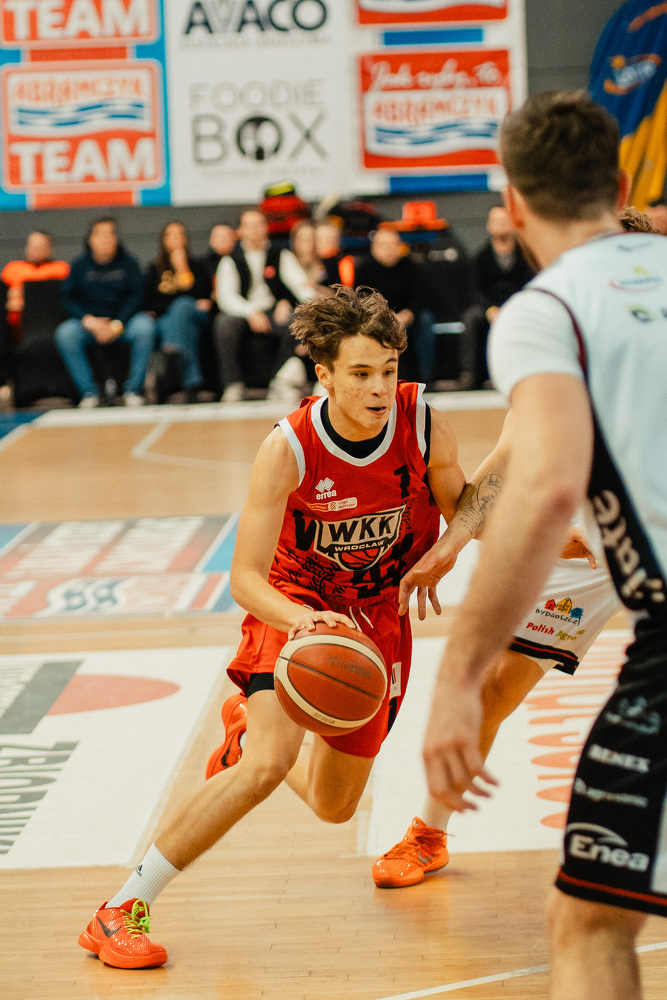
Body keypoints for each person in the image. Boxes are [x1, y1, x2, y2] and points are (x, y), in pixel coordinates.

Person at [78, 284, 467, 970]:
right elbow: (245, 580)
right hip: (295, 602)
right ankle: (120, 908)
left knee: (334, 807)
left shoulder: (425, 425)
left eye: (388, 370)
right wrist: (303, 620)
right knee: (267, 766)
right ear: (324, 374)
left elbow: (464, 506)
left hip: (376, 618)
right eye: (360, 373)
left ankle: (242, 725)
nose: (379, 388)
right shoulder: (288, 448)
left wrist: (467, 544)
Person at [421, 90, 667, 1000]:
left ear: (513, 203)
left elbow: (545, 486)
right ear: (622, 186)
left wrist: (453, 680)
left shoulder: (547, 309)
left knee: (591, 923)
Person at [372, 411, 620, 887]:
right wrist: (451, 544)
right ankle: (430, 834)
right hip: (582, 537)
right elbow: (505, 461)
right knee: (492, 689)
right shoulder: (559, 376)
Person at [214, 209, 315, 402]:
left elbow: (300, 286)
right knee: (224, 324)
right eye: (249, 226)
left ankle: (279, 381)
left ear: (265, 228)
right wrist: (251, 311)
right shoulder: (230, 259)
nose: (254, 230)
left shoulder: (280, 254)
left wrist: (307, 305)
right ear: (240, 231)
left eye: (258, 225)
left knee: (294, 322)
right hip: (242, 312)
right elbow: (226, 298)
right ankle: (233, 385)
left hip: (272, 310)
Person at [55, 218, 153, 407]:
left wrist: (117, 323)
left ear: (117, 239)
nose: (105, 239)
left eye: (110, 234)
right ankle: (89, 392)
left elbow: (137, 297)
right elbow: (67, 298)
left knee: (145, 327)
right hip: (90, 325)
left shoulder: (129, 264)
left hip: (124, 323)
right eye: (100, 235)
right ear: (90, 239)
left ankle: (133, 389)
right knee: (66, 333)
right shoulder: (79, 265)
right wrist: (88, 320)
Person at [458, 206, 534, 390]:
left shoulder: (525, 255)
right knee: (471, 319)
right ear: (488, 226)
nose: (500, 225)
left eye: (504, 221)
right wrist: (490, 309)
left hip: (518, 306)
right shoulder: (480, 257)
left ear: (513, 224)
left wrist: (514, 308)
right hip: (489, 307)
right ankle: (470, 374)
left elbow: (530, 285)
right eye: (496, 221)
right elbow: (475, 290)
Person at [144, 221, 212, 404]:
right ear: (163, 240)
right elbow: (152, 302)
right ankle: (192, 382)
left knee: (182, 306)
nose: (175, 239)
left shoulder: (197, 266)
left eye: (179, 235)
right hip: (170, 320)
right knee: (179, 320)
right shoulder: (155, 268)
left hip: (195, 316)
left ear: (185, 239)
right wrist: (176, 305)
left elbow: (202, 296)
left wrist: (183, 269)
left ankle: (171, 350)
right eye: (170, 235)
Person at [353, 228, 425, 382]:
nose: (389, 250)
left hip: (407, 318)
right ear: (374, 248)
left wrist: (408, 314)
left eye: (394, 245)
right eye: (384, 245)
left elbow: (420, 297)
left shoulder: (412, 267)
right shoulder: (364, 269)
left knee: (425, 320)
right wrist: (385, 317)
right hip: (376, 319)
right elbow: (360, 300)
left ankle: (424, 377)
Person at [1, 231, 69, 341]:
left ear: (50, 248)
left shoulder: (62, 269)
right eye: (32, 245)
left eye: (40, 246)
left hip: (49, 319)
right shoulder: (13, 268)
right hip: (16, 320)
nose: (35, 249)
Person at [314, 223, 355, 288]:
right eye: (320, 239)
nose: (324, 243)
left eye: (329, 239)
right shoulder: (307, 261)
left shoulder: (345, 263)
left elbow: (347, 290)